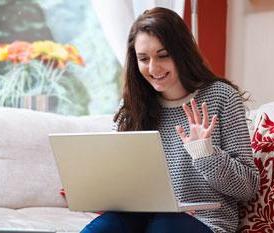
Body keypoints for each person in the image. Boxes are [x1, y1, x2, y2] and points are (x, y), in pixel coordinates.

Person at [81, 7, 259, 233]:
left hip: (204, 222)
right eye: (143, 59)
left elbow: (248, 187)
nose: (153, 68)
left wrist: (205, 153)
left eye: (163, 55)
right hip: (140, 217)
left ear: (181, 52)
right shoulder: (132, 108)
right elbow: (125, 183)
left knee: (164, 227)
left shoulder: (222, 98)